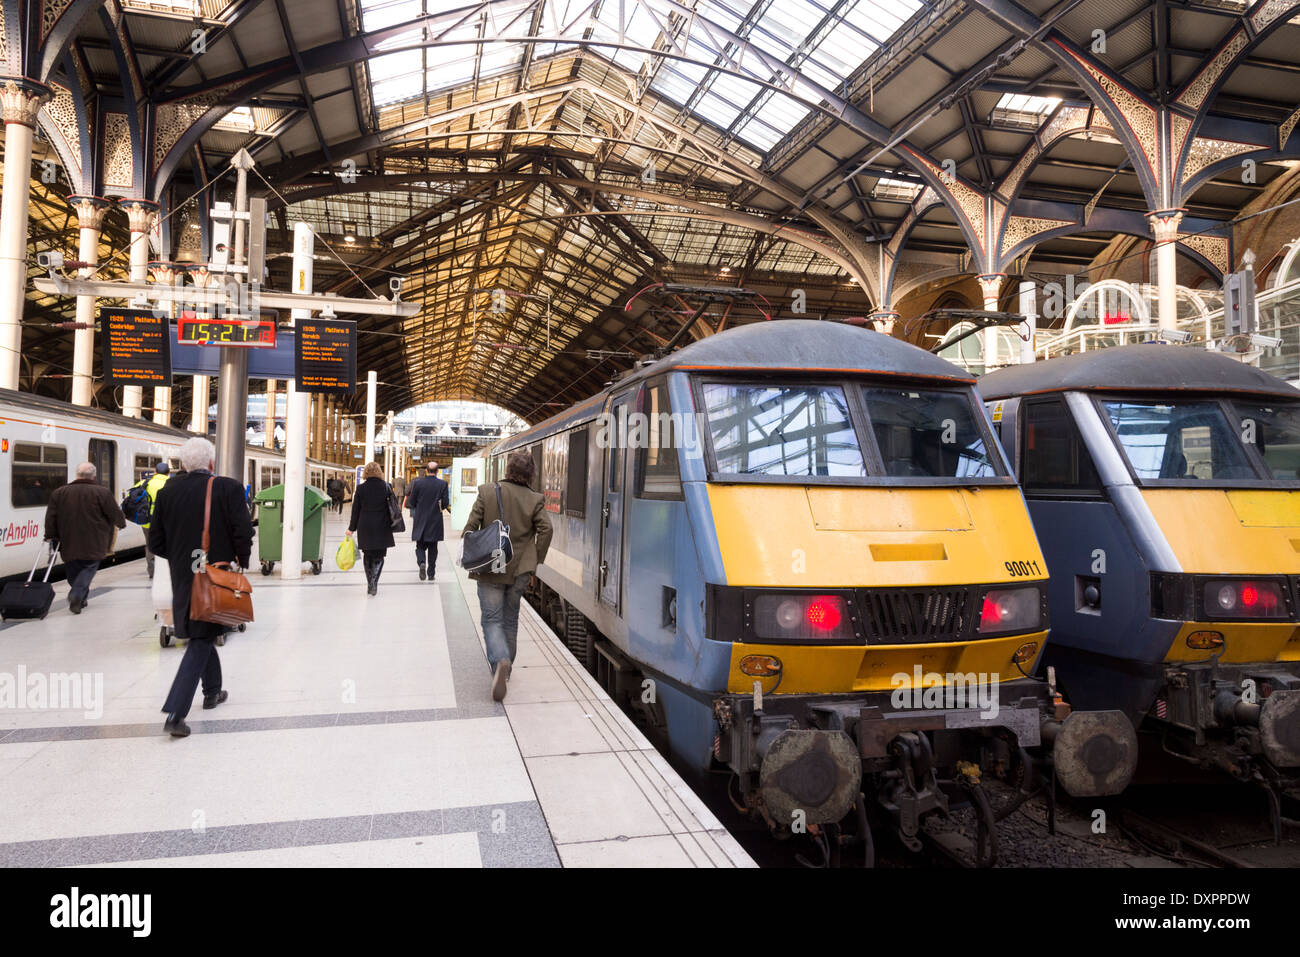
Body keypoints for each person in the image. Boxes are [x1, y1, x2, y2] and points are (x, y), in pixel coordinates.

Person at [149, 437, 253, 738]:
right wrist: (239, 563)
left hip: (184, 573)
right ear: (211, 463)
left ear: (183, 465)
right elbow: (243, 531)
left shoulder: (169, 491)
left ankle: (213, 691)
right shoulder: (228, 488)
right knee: (201, 639)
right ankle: (175, 713)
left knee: (202, 630)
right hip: (215, 573)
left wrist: (185, 559)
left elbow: (155, 541)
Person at [464, 450, 552, 702]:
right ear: (530, 473)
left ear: (508, 469)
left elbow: (470, 528)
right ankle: (507, 669)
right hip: (520, 568)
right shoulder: (535, 499)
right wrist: (536, 559)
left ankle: (499, 661)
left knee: (491, 620)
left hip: (491, 566)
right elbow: (547, 529)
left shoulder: (486, 491)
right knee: (510, 620)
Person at [43, 462, 126, 615]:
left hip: (68, 539)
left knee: (73, 570)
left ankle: (80, 597)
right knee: (88, 568)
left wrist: (50, 535)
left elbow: (51, 517)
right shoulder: (102, 492)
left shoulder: (59, 492)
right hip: (95, 540)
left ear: (77, 475)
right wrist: (121, 523)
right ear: (94, 476)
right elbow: (113, 512)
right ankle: (76, 594)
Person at [348, 461, 395, 596]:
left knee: (368, 555)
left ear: (366, 472)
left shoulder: (361, 489)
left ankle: (370, 583)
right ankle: (374, 582)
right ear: (379, 472)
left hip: (365, 525)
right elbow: (393, 507)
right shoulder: (386, 487)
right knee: (379, 556)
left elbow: (355, 510)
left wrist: (351, 528)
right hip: (382, 525)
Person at [406, 461, 450, 581]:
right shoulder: (443, 484)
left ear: (426, 470)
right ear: (437, 471)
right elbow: (446, 503)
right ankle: (431, 573)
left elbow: (412, 502)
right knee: (433, 547)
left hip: (420, 519)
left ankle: (421, 563)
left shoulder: (418, 483)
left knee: (420, 545)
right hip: (435, 519)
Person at [142, 462, 170, 579]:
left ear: (155, 472)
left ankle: (152, 571)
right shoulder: (170, 483)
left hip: (148, 521)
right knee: (168, 544)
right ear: (168, 473)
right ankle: (166, 570)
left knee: (150, 546)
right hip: (165, 521)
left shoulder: (146, 482)